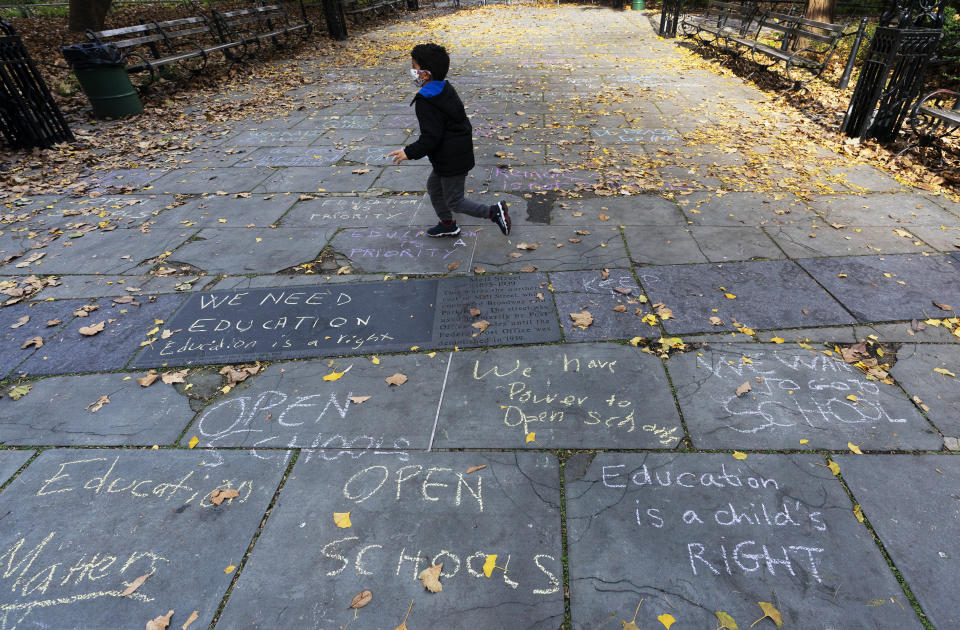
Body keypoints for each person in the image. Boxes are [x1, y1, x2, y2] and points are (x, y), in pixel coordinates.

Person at [387, 43, 511, 238]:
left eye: (415, 67)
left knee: (455, 201)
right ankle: (447, 224)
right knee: (434, 188)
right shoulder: (444, 88)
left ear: (426, 74)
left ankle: (494, 212)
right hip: (451, 154)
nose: (412, 71)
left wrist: (408, 152)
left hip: (451, 158)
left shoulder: (426, 101)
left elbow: (431, 138)